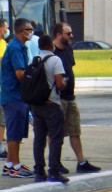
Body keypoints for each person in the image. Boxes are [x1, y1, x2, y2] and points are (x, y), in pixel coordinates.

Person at [53, 22, 101, 173]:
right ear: (58, 35)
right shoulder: (52, 52)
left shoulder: (68, 49)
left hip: (70, 97)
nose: (71, 36)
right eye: (68, 33)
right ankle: (55, 162)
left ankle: (81, 162)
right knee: (56, 133)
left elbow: (70, 68)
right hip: (57, 98)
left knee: (75, 131)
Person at [31, 34, 68, 183]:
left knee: (39, 139)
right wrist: (65, 83)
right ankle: (53, 171)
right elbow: (59, 84)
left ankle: (39, 171)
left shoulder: (33, 60)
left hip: (36, 106)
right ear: (51, 45)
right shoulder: (55, 60)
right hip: (52, 105)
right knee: (56, 138)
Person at [0, 18, 34, 178]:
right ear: (22, 31)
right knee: (14, 133)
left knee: (17, 132)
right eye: (29, 29)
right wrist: (34, 77)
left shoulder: (19, 46)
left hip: (15, 96)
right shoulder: (15, 48)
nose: (31, 31)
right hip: (14, 96)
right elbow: (20, 74)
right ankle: (16, 166)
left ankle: (8, 165)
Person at [0, 19, 9, 159]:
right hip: (2, 88)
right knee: (2, 119)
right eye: (6, 28)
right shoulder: (2, 44)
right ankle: (1, 147)